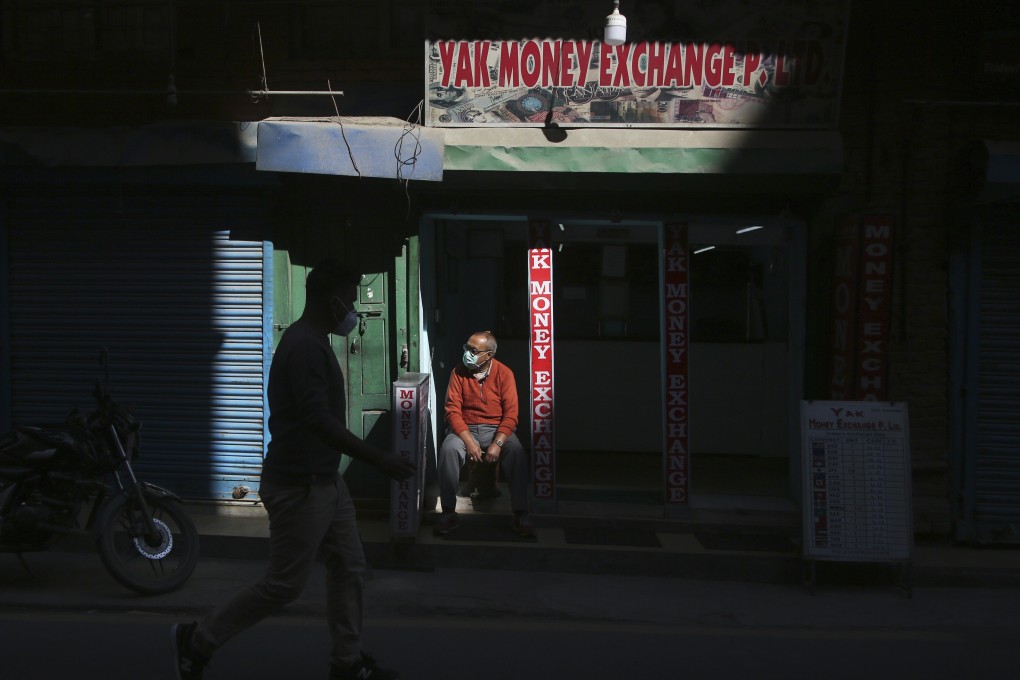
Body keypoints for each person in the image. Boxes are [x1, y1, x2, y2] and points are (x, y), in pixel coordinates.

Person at [171, 260, 416, 680]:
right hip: (300, 486)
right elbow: (317, 420)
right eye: (350, 294)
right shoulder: (304, 346)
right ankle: (197, 641)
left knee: (349, 566)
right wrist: (379, 459)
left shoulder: (314, 340)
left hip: (324, 482)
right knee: (284, 584)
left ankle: (348, 663)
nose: (355, 304)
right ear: (330, 297)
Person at [434, 331, 534, 537]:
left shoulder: (504, 374)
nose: (467, 354)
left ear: (488, 355)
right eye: (466, 348)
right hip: (465, 429)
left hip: (496, 429)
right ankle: (449, 512)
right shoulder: (458, 372)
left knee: (515, 451)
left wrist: (497, 444)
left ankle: (520, 513)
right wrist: (469, 442)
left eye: (473, 350)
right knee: (449, 449)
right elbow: (452, 411)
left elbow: (512, 414)